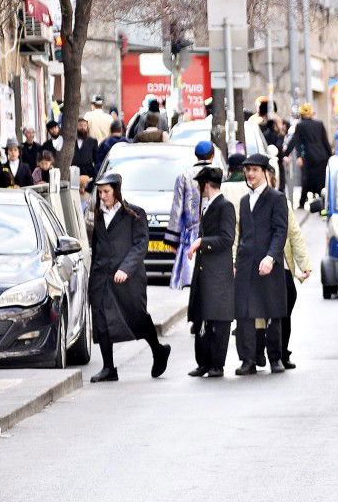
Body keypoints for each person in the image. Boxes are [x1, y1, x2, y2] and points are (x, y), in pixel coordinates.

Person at [87, 173, 171, 383]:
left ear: (116, 190)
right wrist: (93, 277)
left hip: (129, 278)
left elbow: (140, 245)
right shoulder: (98, 215)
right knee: (102, 319)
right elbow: (96, 246)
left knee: (137, 317)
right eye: (100, 192)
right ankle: (108, 368)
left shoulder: (134, 214)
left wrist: (125, 268)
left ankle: (158, 350)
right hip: (102, 276)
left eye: (106, 192)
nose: (102, 196)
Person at [232, 153, 289, 375]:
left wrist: (271, 257)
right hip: (246, 265)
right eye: (247, 170)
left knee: (272, 311)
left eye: (255, 170)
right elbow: (242, 234)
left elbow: (280, 231)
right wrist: (236, 261)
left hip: (268, 264)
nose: (250, 174)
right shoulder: (244, 201)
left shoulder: (277, 198)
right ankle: (248, 360)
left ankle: (275, 358)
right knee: (245, 313)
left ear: (265, 172)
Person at [185, 167, 236, 378]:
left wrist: (201, 242)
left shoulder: (225, 206)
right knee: (202, 319)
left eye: (199, 185)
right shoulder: (208, 206)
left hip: (218, 274)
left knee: (219, 321)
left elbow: (227, 239)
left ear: (205, 185)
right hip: (205, 272)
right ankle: (203, 363)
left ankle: (216, 364)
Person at [261, 157, 311, 370]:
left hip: (282, 265)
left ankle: (282, 351)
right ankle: (261, 352)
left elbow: (294, 234)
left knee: (286, 305)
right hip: (259, 265)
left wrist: (303, 263)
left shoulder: (283, 202)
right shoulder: (250, 202)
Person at [165, 140, 215, 289]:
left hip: (191, 235)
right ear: (212, 155)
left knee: (191, 281)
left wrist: (173, 240)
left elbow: (177, 209)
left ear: (196, 155)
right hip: (214, 234)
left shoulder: (184, 176)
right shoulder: (220, 174)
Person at [283, 102, 332, 211]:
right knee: (321, 181)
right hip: (322, 157)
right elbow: (325, 141)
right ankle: (323, 202)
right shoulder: (319, 124)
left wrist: (288, 154)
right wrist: (330, 156)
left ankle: (302, 203)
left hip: (309, 158)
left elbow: (296, 141)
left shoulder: (300, 125)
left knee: (306, 181)